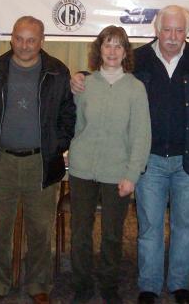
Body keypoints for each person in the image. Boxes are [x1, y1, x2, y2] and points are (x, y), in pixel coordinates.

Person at [72, 5, 189, 304]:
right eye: (167, 29)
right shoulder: (140, 60)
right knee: (149, 227)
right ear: (157, 29)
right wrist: (80, 75)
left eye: (179, 30)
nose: (173, 36)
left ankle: (179, 284)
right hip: (150, 160)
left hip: (188, 159)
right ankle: (149, 286)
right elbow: (107, 75)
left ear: (187, 32)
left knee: (185, 226)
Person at [0, 16, 75, 304]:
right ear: (11, 38)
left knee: (40, 228)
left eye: (31, 40)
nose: (24, 45)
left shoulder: (57, 72)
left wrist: (56, 146)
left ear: (42, 40)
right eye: (19, 38)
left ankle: (38, 284)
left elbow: (68, 116)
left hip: (41, 163)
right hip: (1, 162)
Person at [68, 25, 152, 304]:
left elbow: (141, 135)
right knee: (80, 233)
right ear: (99, 50)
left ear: (126, 52)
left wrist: (132, 175)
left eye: (118, 46)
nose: (112, 51)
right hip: (82, 170)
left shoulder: (135, 88)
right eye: (107, 45)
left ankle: (108, 285)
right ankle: (81, 286)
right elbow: (77, 126)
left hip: (118, 173)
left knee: (113, 235)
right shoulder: (84, 84)